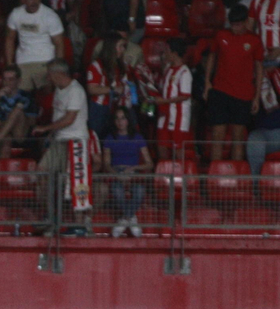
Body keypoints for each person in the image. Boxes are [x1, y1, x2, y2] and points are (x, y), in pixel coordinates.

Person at [33, 59, 90, 233]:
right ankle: (50, 216)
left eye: (49, 73)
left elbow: (69, 119)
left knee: (76, 181)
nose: (47, 77)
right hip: (58, 140)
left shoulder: (76, 91)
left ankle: (79, 224)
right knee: (41, 171)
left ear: (58, 74)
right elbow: (57, 116)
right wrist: (50, 135)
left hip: (75, 141)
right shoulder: (59, 90)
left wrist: (45, 128)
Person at [204, 4, 266, 161]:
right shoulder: (220, 35)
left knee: (238, 139)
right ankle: (214, 179)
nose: (235, 28)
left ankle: (235, 179)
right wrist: (207, 83)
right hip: (220, 91)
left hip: (243, 95)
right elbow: (212, 56)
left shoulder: (254, 40)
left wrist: (257, 96)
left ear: (246, 22)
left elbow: (259, 68)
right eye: (232, 24)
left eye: (238, 25)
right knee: (217, 137)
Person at [99, 105, 152, 236]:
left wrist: (134, 168)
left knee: (139, 191)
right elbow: (106, 164)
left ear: (128, 120)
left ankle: (124, 220)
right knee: (116, 190)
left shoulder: (138, 138)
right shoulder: (110, 138)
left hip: (133, 173)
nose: (120, 121)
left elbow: (149, 163)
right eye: (117, 118)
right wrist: (117, 174)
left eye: (123, 118)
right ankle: (131, 219)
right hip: (116, 173)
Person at [4, 0, 67, 90]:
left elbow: (59, 43)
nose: (34, 1)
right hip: (23, 62)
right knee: (19, 95)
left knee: (46, 93)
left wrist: (57, 70)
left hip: (45, 61)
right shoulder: (16, 14)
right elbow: (10, 39)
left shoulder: (50, 16)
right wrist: (10, 65)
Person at [153, 38, 193, 159]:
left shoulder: (185, 72)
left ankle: (180, 176)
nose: (165, 54)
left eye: (167, 51)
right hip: (164, 116)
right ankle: (163, 175)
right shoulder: (168, 69)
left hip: (178, 118)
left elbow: (185, 95)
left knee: (178, 150)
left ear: (174, 53)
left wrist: (163, 101)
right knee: (161, 146)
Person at [0, 65, 35, 158]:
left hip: (21, 134)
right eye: (5, 79)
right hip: (5, 133)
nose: (7, 83)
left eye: (11, 79)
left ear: (18, 81)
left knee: (18, 110)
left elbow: (32, 122)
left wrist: (8, 122)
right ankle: (2, 171)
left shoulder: (27, 96)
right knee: (6, 141)